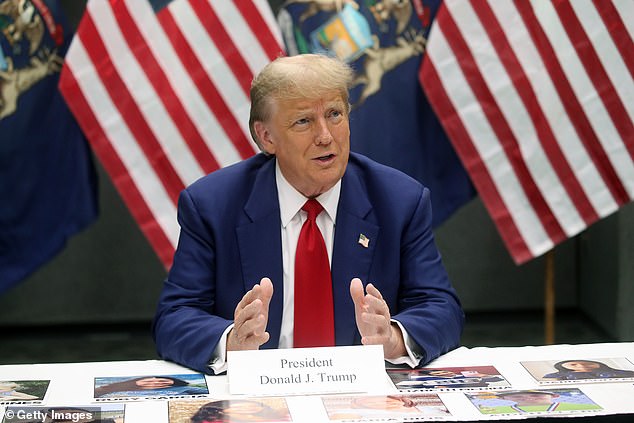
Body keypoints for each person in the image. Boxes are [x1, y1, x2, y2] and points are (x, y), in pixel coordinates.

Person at [152, 53, 464, 374]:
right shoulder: (212, 205)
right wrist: (231, 343)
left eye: (334, 114)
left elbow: (441, 308)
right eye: (304, 121)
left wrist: (394, 339)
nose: (325, 136)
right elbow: (175, 317)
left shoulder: (399, 200)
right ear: (266, 137)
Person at [94, 376, 206, 398]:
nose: (156, 382)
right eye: (161, 380)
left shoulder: (185, 391)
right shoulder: (106, 387)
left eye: (165, 384)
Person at [542, 359, 634, 380]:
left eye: (588, 363)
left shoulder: (624, 373)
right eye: (573, 365)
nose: (581, 365)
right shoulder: (558, 376)